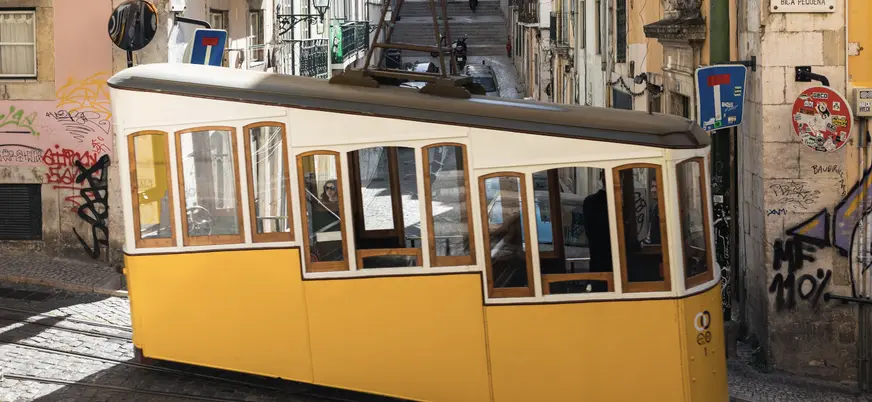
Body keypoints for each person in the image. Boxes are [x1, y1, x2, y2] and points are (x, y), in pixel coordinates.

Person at [582, 171, 613, 276]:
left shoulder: (589, 201)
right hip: (613, 260)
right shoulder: (614, 202)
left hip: (596, 258)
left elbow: (588, 230)